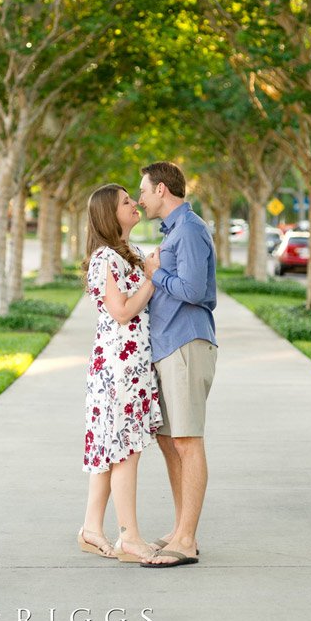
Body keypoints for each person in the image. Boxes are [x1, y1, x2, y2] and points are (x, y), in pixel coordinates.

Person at [137, 161, 217, 568]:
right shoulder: (174, 232)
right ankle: (181, 528)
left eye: (144, 191)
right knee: (169, 441)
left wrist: (156, 272)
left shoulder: (189, 229)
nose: (141, 199)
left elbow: (195, 290)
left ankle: (186, 540)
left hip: (187, 342)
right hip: (168, 345)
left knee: (187, 440)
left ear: (163, 190)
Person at [78, 183, 163, 562]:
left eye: (132, 198)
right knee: (125, 451)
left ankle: (91, 529)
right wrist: (151, 278)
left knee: (112, 450)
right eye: (125, 202)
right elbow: (122, 311)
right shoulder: (104, 259)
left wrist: (148, 272)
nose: (134, 204)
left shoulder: (131, 253)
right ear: (108, 215)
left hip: (133, 366)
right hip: (117, 369)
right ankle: (129, 537)